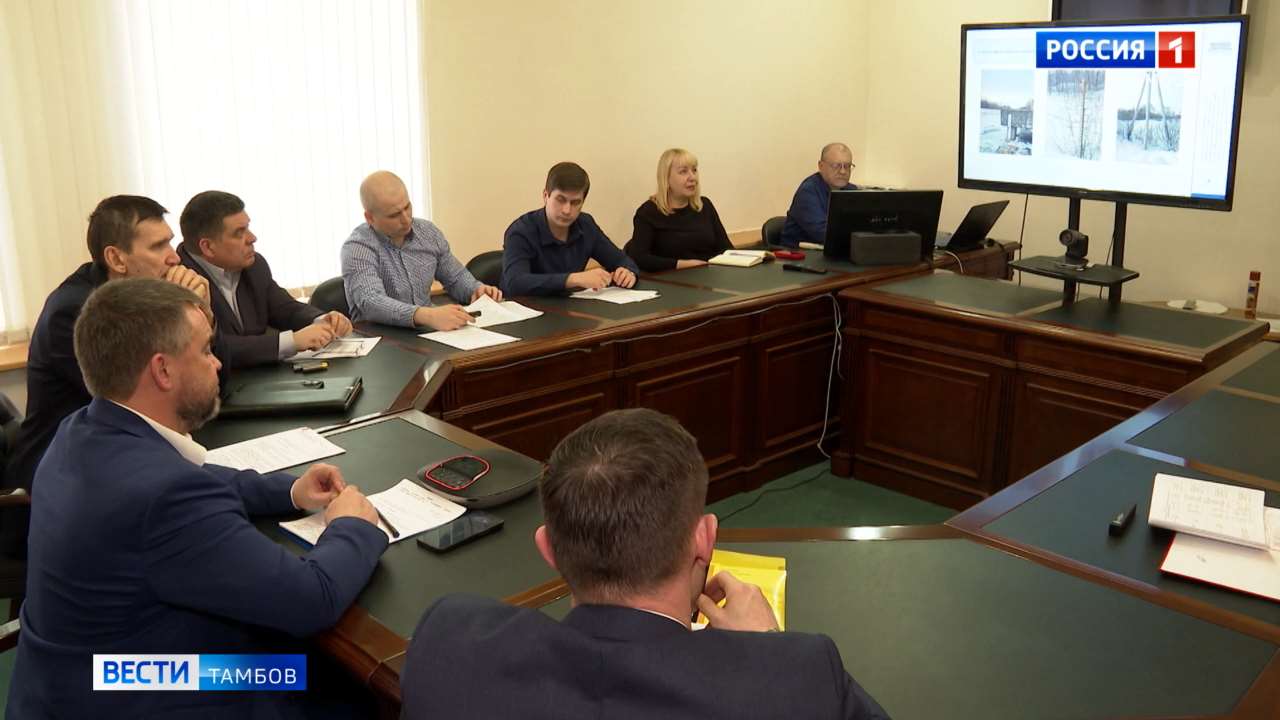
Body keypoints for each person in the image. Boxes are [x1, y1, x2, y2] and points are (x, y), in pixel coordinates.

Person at [7, 278, 388, 719]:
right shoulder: (167, 496)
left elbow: (194, 474)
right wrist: (351, 526)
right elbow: (311, 599)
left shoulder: (80, 430)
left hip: (70, 680)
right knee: (344, 683)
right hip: (149, 689)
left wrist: (289, 491)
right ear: (163, 371)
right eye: (206, 350)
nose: (218, 363)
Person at [401, 408, 890, 720]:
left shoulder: (450, 639)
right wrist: (764, 650)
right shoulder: (797, 678)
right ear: (705, 539)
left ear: (547, 548)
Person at [3, 196, 221, 556]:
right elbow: (148, 397)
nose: (174, 257)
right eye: (158, 246)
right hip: (66, 476)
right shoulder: (80, 312)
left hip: (120, 450)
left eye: (170, 242)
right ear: (117, 259)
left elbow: (210, 380)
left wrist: (203, 315)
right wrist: (184, 312)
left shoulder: (136, 300)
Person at [178, 190, 352, 369]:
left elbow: (284, 308)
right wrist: (292, 341)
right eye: (239, 233)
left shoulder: (253, 265)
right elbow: (216, 347)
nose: (252, 238)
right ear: (208, 247)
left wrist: (321, 319)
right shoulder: (180, 282)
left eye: (248, 227)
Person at [341, 170, 501, 329]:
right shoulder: (357, 248)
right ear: (370, 218)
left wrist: (476, 290)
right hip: (382, 336)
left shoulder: (428, 232)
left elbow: (455, 277)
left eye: (407, 207)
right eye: (394, 215)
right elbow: (371, 302)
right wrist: (426, 315)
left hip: (428, 331)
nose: (406, 219)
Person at [501, 162, 639, 296]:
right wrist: (573, 279)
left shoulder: (586, 225)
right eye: (560, 200)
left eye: (575, 202)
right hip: (525, 308)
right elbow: (515, 283)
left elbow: (622, 260)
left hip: (570, 306)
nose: (567, 210)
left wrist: (627, 273)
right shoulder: (521, 231)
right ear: (545, 196)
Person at [625, 148, 732, 272]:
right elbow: (640, 258)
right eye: (683, 172)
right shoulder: (648, 212)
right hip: (671, 278)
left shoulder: (705, 205)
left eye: (694, 170)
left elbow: (726, 249)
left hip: (709, 275)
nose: (692, 177)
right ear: (666, 178)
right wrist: (680, 264)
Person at [780, 143, 860, 248]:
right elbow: (824, 234)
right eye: (836, 166)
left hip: (836, 250)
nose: (842, 171)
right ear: (821, 166)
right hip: (799, 253)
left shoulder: (852, 190)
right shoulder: (808, 191)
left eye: (847, 166)